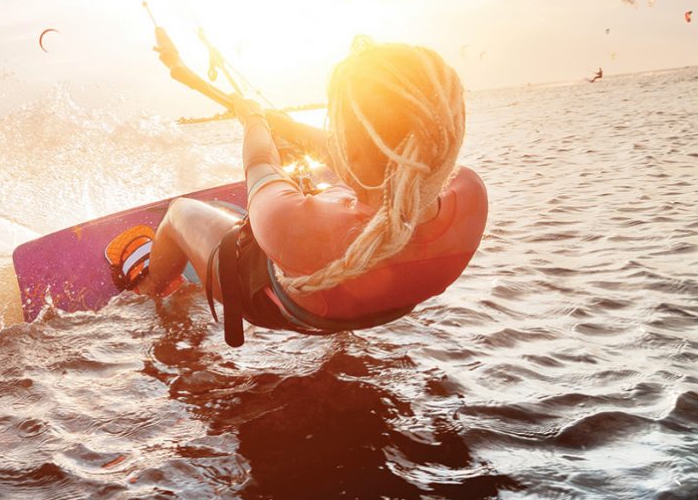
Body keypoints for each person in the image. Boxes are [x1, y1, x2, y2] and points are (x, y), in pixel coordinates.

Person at [137, 38, 486, 345]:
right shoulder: (471, 195)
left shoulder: (294, 223)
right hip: (361, 307)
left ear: (350, 148)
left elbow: (260, 161)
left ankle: (150, 290)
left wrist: (255, 121)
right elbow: (372, 159)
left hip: (265, 303)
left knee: (180, 211)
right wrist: (287, 126)